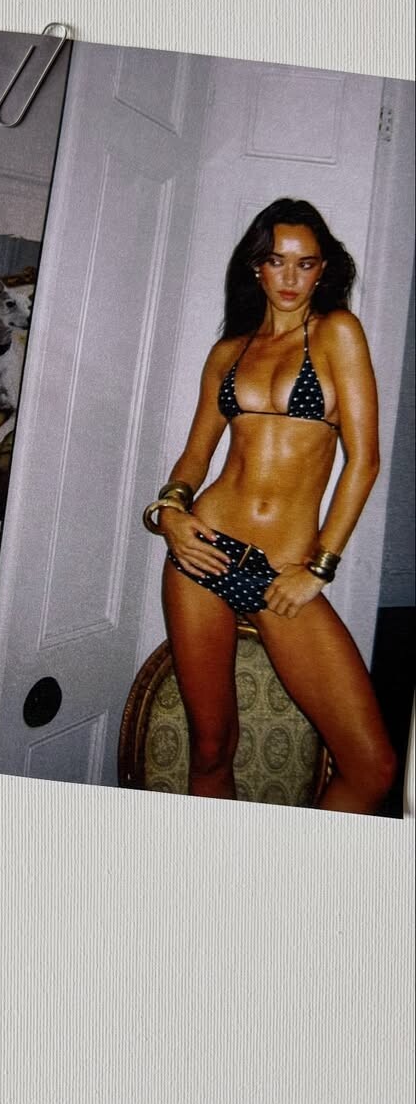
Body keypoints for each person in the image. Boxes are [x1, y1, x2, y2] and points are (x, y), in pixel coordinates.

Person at [143, 198, 396, 814]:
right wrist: (169, 514)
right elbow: (194, 459)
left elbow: (364, 461)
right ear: (255, 266)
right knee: (210, 750)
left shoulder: (338, 333)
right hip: (202, 552)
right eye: (276, 261)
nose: (289, 277)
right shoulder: (228, 353)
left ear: (323, 270)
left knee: (373, 768)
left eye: (305, 264)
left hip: (283, 570)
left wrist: (318, 568)